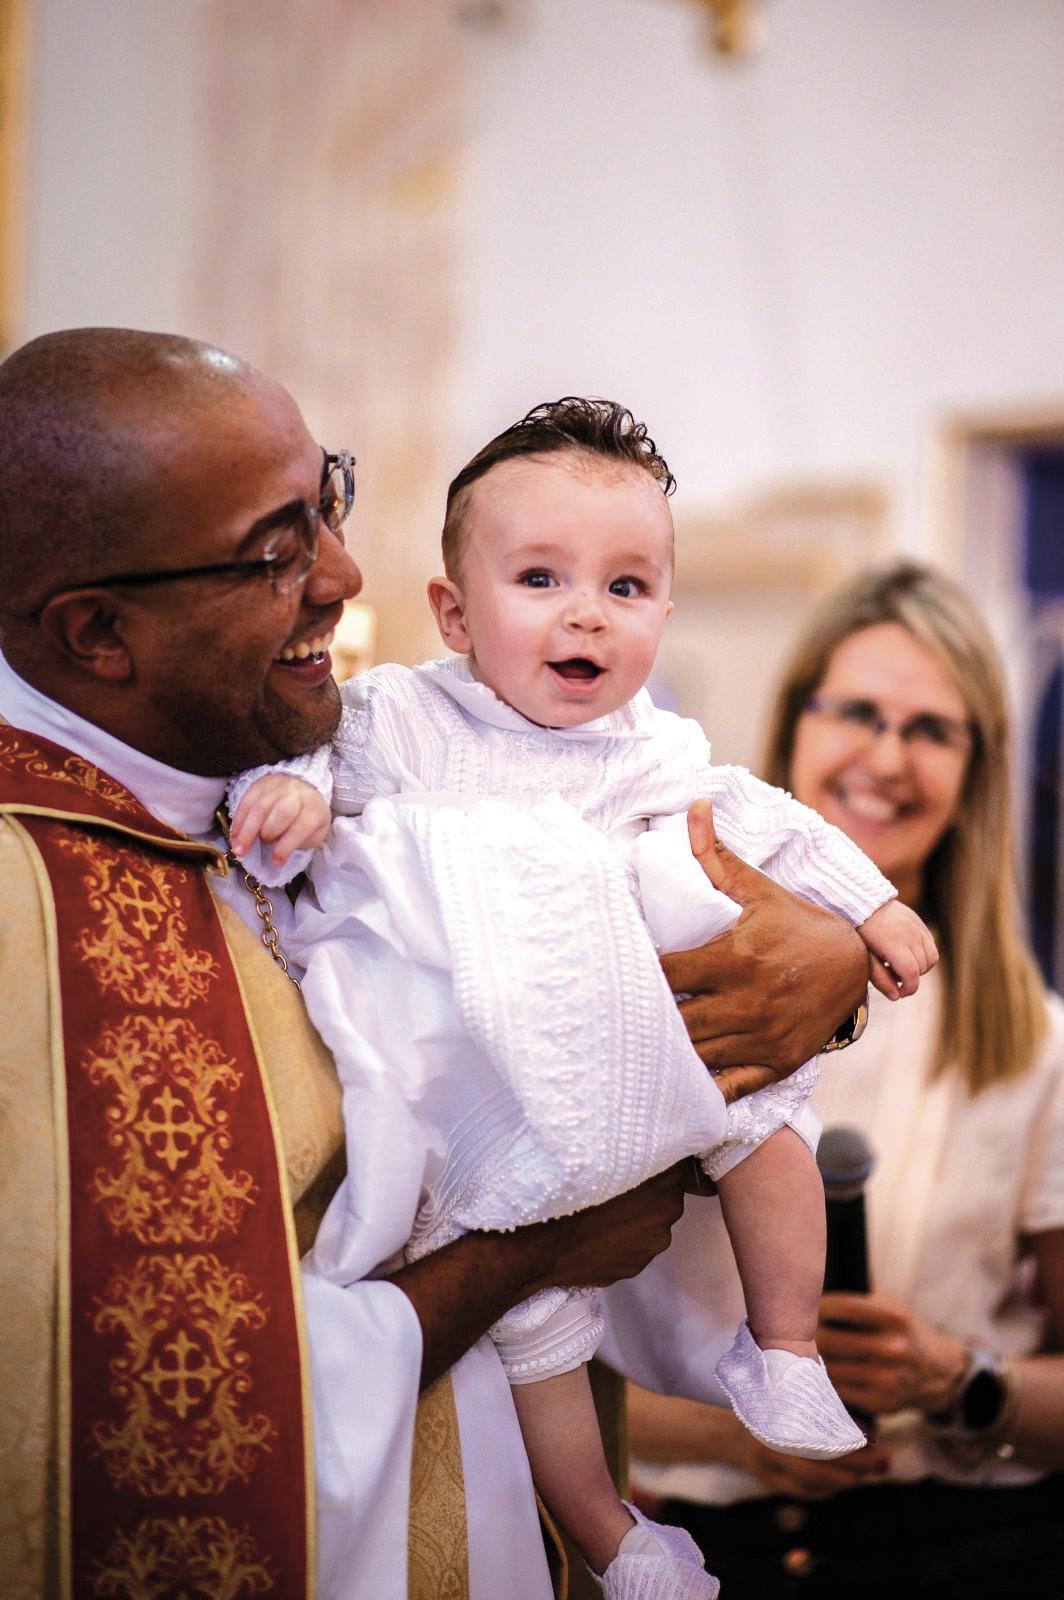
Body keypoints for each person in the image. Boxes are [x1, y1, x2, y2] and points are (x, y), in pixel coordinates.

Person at [0, 330, 872, 1600]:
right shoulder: (35, 914)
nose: (342, 574)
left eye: (328, 501)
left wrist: (825, 966)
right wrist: (531, 1248)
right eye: (274, 547)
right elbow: (129, 1425)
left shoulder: (268, 768)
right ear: (98, 633)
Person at [228, 400, 934, 1594]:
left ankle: (785, 1344)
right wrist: (297, 794)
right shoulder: (403, 713)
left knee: (769, 1137)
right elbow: (318, 754)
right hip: (488, 1087)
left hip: (633, 1063)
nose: (584, 614)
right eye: (541, 577)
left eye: (625, 586)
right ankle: (613, 1537)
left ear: (663, 609)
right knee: (538, 1328)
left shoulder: (648, 750)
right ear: (453, 610)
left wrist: (872, 912)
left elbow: (776, 825)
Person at [605, 562, 1064, 1600]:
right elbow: (537, 1335)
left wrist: (956, 1376)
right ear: (794, 721)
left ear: (974, 767)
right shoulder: (667, 969)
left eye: (930, 729)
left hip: (965, 1549)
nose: (885, 757)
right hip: (705, 1549)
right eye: (855, 711)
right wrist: (737, 1439)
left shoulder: (1030, 1042)